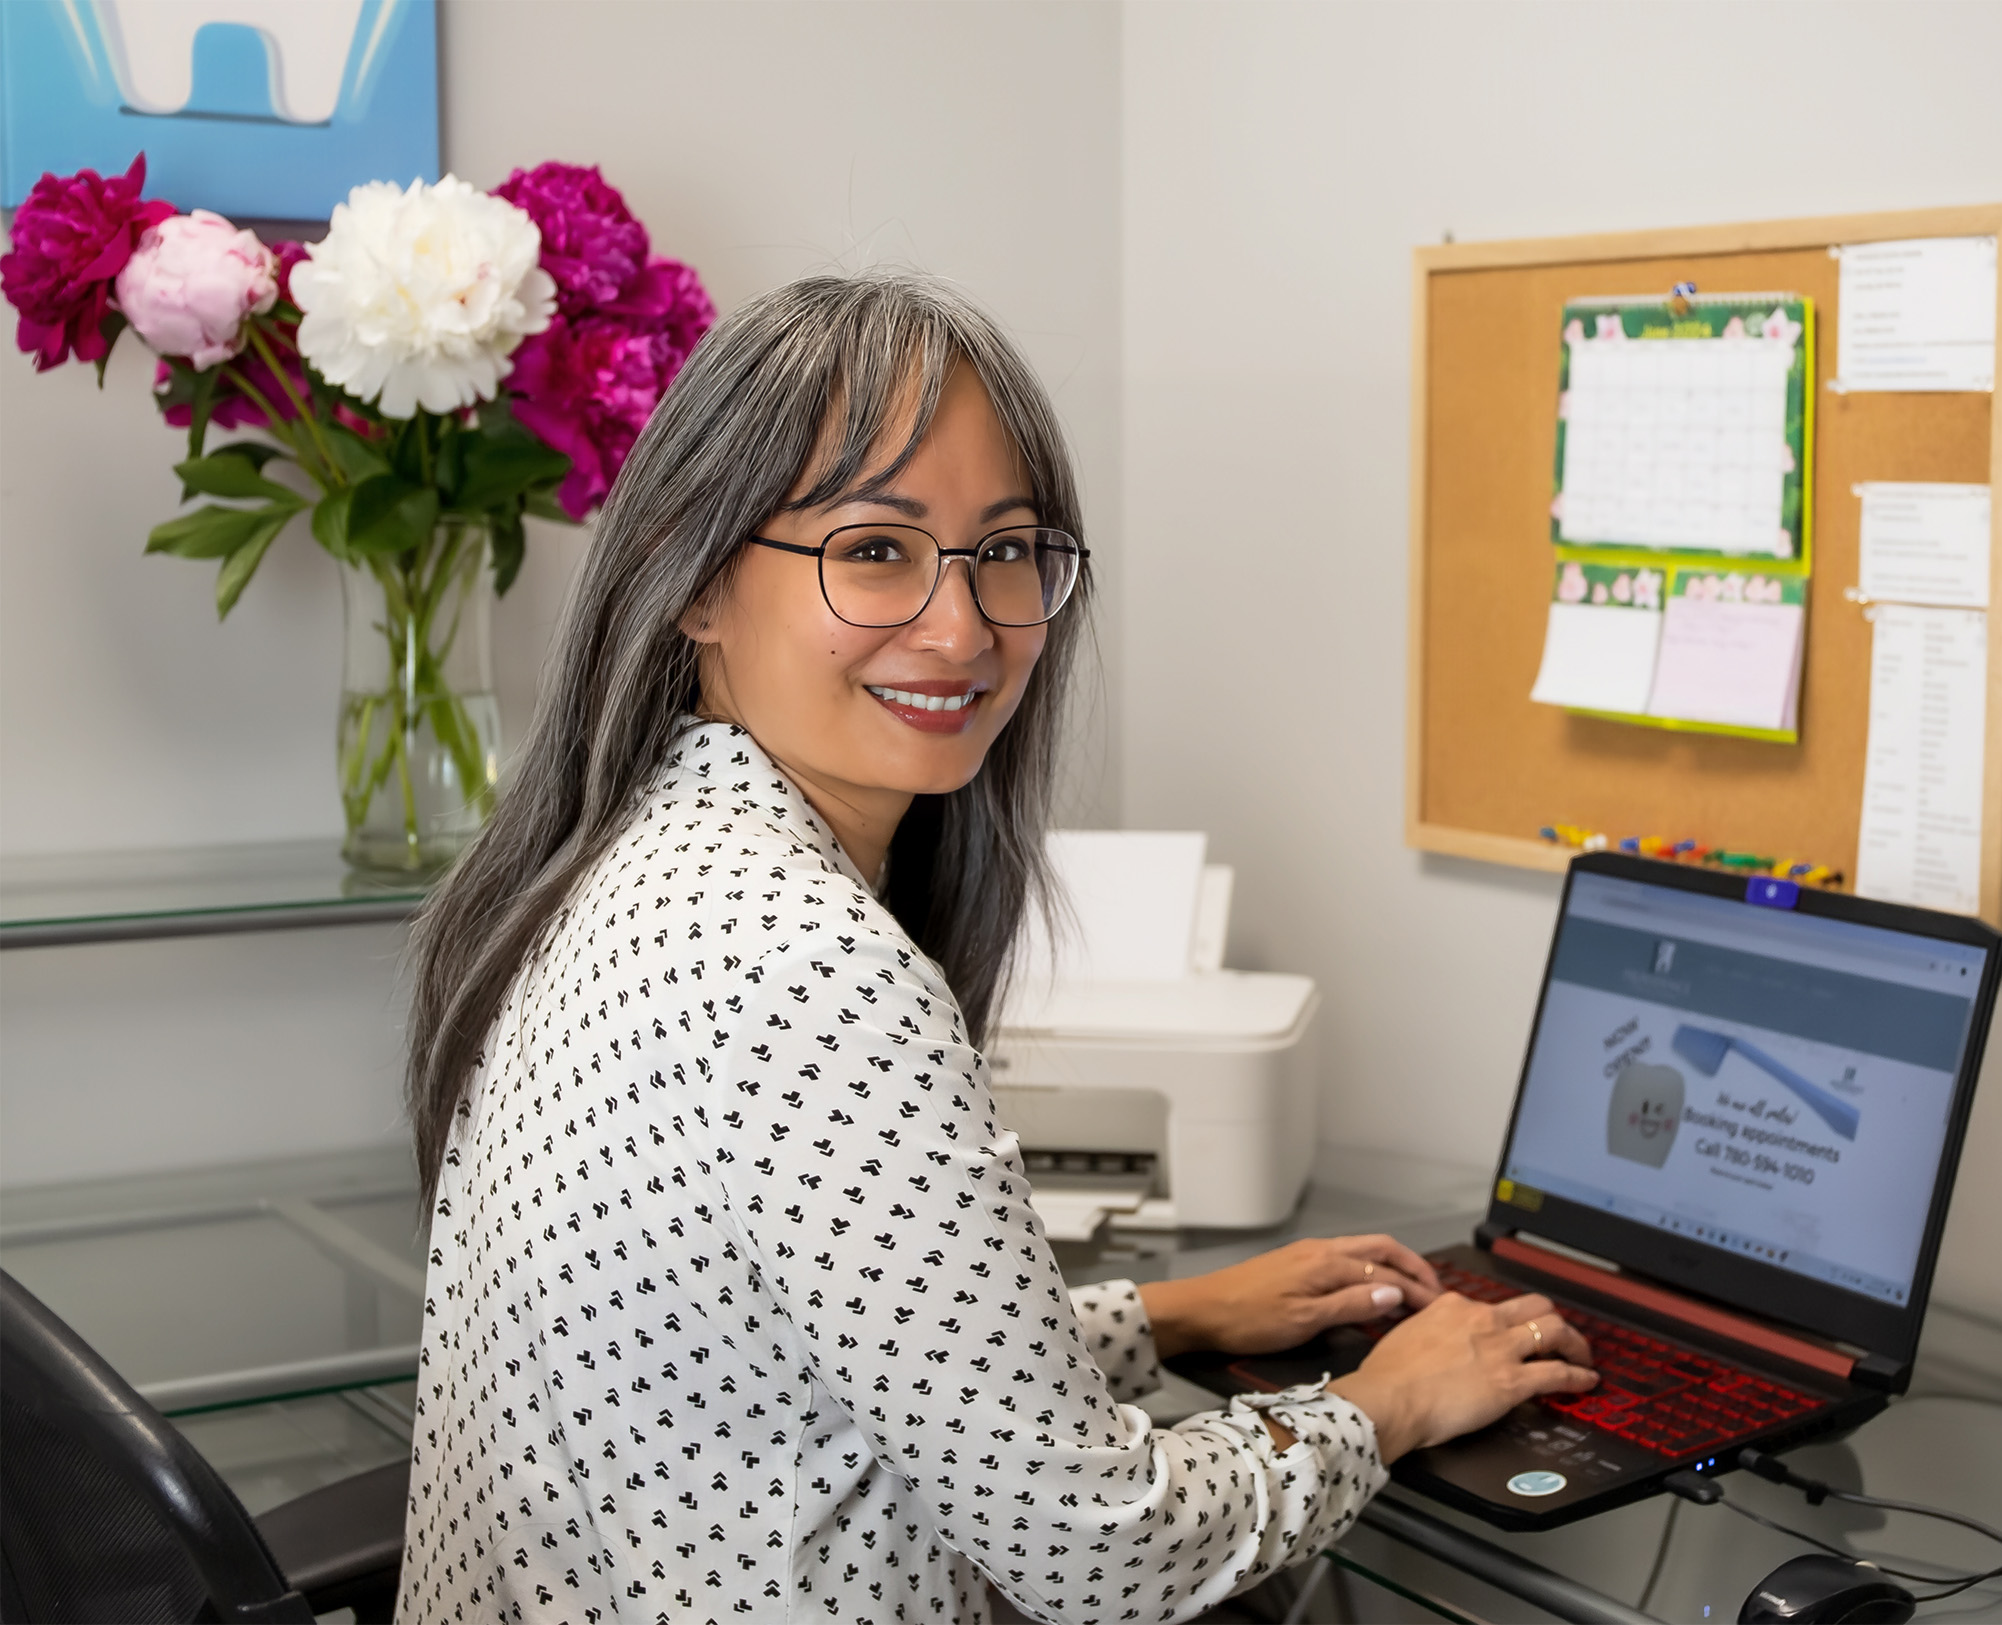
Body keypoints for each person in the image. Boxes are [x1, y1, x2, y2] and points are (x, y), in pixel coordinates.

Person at [399, 273, 1598, 1625]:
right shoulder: (804, 963)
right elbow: (1103, 1551)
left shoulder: (632, 863)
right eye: (874, 549)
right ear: (694, 578)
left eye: (1008, 549)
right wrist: (1386, 1399)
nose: (964, 629)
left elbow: (826, 1372)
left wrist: (1173, 1314)